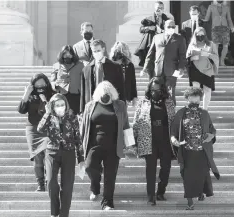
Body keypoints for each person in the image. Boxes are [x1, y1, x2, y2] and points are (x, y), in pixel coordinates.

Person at [80, 81, 130, 210]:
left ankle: (107, 202)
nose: (105, 94)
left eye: (108, 91)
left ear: (112, 93)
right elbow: (84, 127)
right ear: (98, 93)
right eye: (103, 91)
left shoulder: (120, 105)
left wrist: (130, 144)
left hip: (113, 146)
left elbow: (125, 124)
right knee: (90, 167)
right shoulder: (90, 106)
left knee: (110, 175)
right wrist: (79, 144)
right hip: (94, 145)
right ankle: (95, 187)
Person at [170, 87, 220, 210]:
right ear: (187, 98)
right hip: (186, 151)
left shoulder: (204, 113)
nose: (195, 102)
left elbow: (212, 129)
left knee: (202, 174)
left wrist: (211, 135)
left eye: (197, 100)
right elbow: (173, 132)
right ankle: (190, 202)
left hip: (202, 151)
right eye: (192, 99)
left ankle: (200, 192)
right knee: (187, 177)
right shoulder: (180, 113)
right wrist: (174, 140)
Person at [37, 93, 84, 217]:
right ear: (52, 106)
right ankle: (54, 212)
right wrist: (47, 113)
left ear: (66, 105)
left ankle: (64, 214)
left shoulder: (72, 118)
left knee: (67, 186)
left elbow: (78, 139)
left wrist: (81, 158)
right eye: (57, 105)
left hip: (68, 153)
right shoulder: (49, 117)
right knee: (51, 182)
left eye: (62, 104)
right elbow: (39, 129)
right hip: (52, 152)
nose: (60, 107)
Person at [132, 77, 176, 205]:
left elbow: (173, 121)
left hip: (165, 139)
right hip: (148, 139)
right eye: (152, 89)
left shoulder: (169, 102)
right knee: (150, 169)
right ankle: (151, 197)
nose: (154, 92)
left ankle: (161, 192)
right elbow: (136, 122)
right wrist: (134, 141)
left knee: (166, 168)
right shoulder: (143, 102)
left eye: (157, 89)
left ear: (162, 89)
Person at [17, 73, 54, 192]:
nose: (40, 87)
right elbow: (21, 110)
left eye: (43, 84)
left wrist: (45, 100)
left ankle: (50, 181)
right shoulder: (30, 95)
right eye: (37, 85)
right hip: (33, 129)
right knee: (38, 156)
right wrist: (26, 93)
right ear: (33, 85)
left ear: (46, 83)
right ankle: (41, 184)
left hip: (48, 128)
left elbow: (55, 111)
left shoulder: (52, 94)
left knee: (49, 154)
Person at [141, 20, 187, 105]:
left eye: (173, 27)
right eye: (169, 26)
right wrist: (145, 68)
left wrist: (181, 68)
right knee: (155, 93)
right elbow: (150, 54)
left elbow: (182, 56)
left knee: (170, 95)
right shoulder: (156, 37)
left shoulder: (180, 39)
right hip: (157, 71)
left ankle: (171, 115)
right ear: (164, 27)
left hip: (172, 71)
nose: (171, 28)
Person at [80, 39, 125, 112]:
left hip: (110, 105)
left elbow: (121, 88)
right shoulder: (86, 69)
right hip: (92, 107)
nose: (96, 53)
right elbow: (83, 92)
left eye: (98, 50)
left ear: (103, 49)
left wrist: (122, 108)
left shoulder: (115, 67)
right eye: (94, 51)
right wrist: (82, 110)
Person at [186, 27, 219, 109]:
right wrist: (192, 58)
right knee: (196, 90)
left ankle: (205, 110)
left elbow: (216, 57)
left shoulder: (211, 44)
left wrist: (208, 55)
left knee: (207, 90)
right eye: (198, 34)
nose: (200, 36)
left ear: (205, 35)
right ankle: (195, 108)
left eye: (202, 34)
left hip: (208, 69)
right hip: (195, 69)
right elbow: (187, 56)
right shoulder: (192, 44)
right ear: (195, 35)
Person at [135, 1, 169, 67]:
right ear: (155, 8)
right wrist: (151, 28)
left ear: (163, 9)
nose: (159, 9)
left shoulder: (167, 20)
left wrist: (162, 31)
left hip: (162, 44)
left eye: (161, 8)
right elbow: (141, 29)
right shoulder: (148, 19)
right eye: (158, 7)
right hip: (150, 44)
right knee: (150, 64)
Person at [51, 45, 84, 115]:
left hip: (75, 94)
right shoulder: (56, 66)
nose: (67, 56)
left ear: (73, 55)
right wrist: (55, 86)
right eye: (65, 54)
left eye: (69, 54)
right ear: (61, 55)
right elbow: (52, 81)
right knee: (62, 116)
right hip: (62, 95)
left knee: (75, 116)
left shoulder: (80, 65)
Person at [203, 0, 234, 66]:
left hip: (225, 28)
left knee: (225, 45)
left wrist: (232, 26)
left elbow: (229, 18)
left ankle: (222, 60)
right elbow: (206, 18)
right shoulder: (211, 7)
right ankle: (216, 61)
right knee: (215, 46)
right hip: (215, 28)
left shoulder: (226, 7)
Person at [110, 41, 138, 106]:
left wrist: (134, 97)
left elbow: (132, 82)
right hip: (113, 95)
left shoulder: (129, 65)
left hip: (125, 96)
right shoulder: (110, 64)